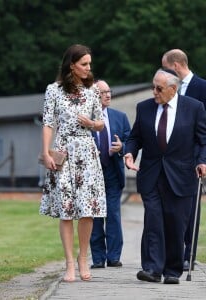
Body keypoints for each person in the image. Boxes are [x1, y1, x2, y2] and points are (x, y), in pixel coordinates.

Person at [124, 68, 206, 284]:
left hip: (183, 176)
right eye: (153, 87)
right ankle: (153, 269)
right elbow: (135, 137)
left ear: (173, 89)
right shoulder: (144, 107)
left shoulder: (194, 108)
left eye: (159, 88)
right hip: (152, 175)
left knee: (176, 224)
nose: (154, 92)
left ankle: (173, 271)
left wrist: (204, 162)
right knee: (154, 221)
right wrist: (129, 152)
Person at [39, 44, 107, 282]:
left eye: (90, 63)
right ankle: (69, 262)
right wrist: (46, 153)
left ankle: (83, 258)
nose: (89, 68)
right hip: (64, 152)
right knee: (66, 211)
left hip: (87, 152)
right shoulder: (53, 90)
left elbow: (101, 123)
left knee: (88, 210)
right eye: (84, 64)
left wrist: (91, 123)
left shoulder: (93, 91)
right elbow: (48, 123)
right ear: (72, 65)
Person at [162, 49, 206, 271]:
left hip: (192, 159)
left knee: (190, 208)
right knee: (171, 208)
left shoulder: (203, 87)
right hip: (171, 158)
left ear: (175, 65)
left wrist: (200, 154)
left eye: (165, 67)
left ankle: (189, 254)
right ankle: (171, 254)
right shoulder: (169, 89)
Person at [90, 80, 131, 269]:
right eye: (103, 92)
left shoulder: (120, 117)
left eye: (109, 91)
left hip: (113, 172)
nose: (108, 95)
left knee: (113, 215)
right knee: (95, 216)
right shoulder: (85, 118)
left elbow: (131, 141)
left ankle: (114, 257)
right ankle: (98, 258)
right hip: (91, 175)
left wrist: (122, 147)